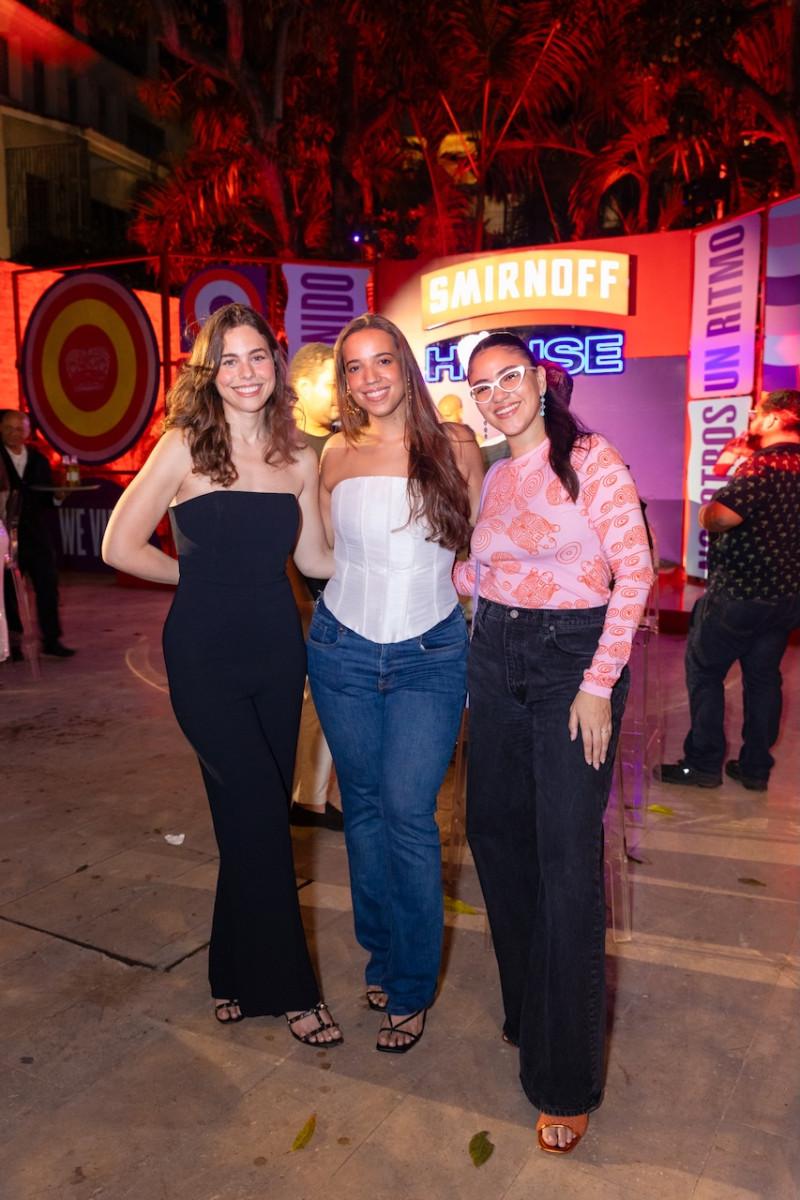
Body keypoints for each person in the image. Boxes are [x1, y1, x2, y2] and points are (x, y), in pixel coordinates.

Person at [102, 303, 342, 1046]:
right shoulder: (184, 445)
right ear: (209, 374)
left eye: (257, 356)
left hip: (277, 652)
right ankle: (291, 990)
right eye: (228, 360)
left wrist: (400, 550)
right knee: (263, 811)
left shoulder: (299, 456)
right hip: (203, 654)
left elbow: (315, 559)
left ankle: (229, 970)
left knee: (250, 814)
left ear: (277, 364)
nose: (245, 373)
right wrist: (200, 578)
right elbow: (119, 545)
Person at [453, 331, 653, 1153]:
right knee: (496, 838)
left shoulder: (591, 460)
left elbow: (634, 574)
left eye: (509, 377)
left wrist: (599, 684)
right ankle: (529, 1008)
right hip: (496, 654)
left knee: (567, 862)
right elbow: (482, 571)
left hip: (573, 662)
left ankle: (565, 1079)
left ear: (539, 381)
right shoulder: (496, 475)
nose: (497, 394)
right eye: (482, 386)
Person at [307, 313, 484, 1053]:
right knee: (365, 809)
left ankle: (410, 985)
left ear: (404, 366)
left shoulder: (456, 445)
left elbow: (480, 551)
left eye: (382, 360)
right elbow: (320, 555)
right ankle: (380, 953)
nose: (369, 377)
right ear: (343, 380)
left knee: (410, 814)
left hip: (429, 652)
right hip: (342, 649)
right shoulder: (333, 453)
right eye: (354, 366)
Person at [658, 388, 800, 792]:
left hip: (739, 594)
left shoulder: (765, 465)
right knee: (764, 680)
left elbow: (722, 516)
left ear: (774, 418)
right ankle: (755, 769)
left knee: (705, 673)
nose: (752, 418)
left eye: (757, 412)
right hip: (786, 597)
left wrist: (705, 513)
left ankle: (703, 764)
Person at [287, 342, 343, 831]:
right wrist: (301, 599)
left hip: (343, 586)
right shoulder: (287, 447)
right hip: (306, 594)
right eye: (331, 384)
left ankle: (314, 796)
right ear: (301, 385)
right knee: (313, 698)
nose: (340, 394)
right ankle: (307, 800)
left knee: (327, 698)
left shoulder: (345, 443)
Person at [0, 409, 75, 658]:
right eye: (8, 428)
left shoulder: (38, 460)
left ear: (27, 431)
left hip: (36, 534)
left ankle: (51, 640)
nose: (13, 433)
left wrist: (57, 497)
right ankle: (14, 644)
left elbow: (45, 498)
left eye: (18, 428)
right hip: (5, 535)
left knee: (47, 585)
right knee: (9, 590)